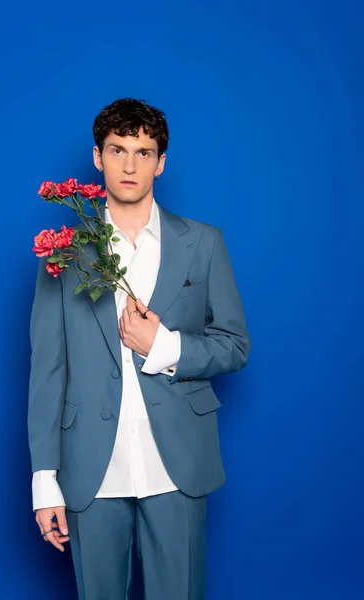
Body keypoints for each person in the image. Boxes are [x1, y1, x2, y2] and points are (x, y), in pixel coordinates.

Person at [28, 97, 252, 600]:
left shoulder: (204, 242)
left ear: (161, 162)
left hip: (177, 464)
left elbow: (236, 345)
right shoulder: (63, 252)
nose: (130, 165)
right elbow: (47, 371)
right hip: (88, 466)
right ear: (97, 156)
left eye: (144, 152)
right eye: (118, 149)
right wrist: (45, 481)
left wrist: (166, 346)